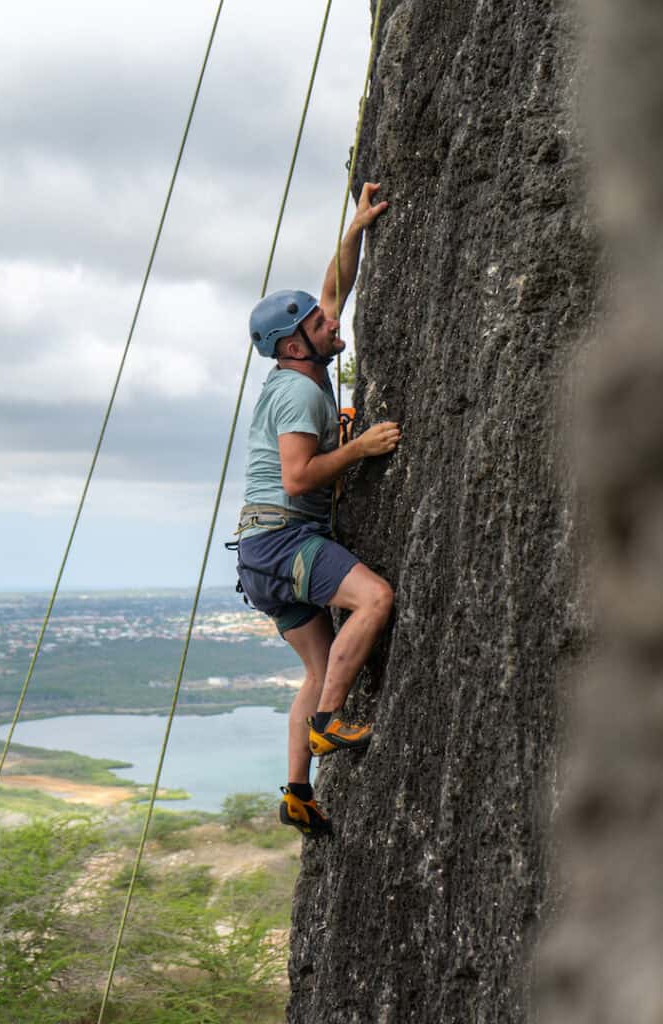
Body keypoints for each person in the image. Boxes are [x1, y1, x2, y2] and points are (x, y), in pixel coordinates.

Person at [236, 182, 400, 837]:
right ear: (295, 343)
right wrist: (359, 446)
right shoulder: (300, 399)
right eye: (318, 325)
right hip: (284, 539)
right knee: (375, 599)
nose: (333, 323)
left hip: (259, 553)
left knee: (314, 664)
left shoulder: (302, 369)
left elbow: (331, 291)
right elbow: (298, 476)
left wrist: (356, 226)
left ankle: (298, 791)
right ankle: (328, 724)